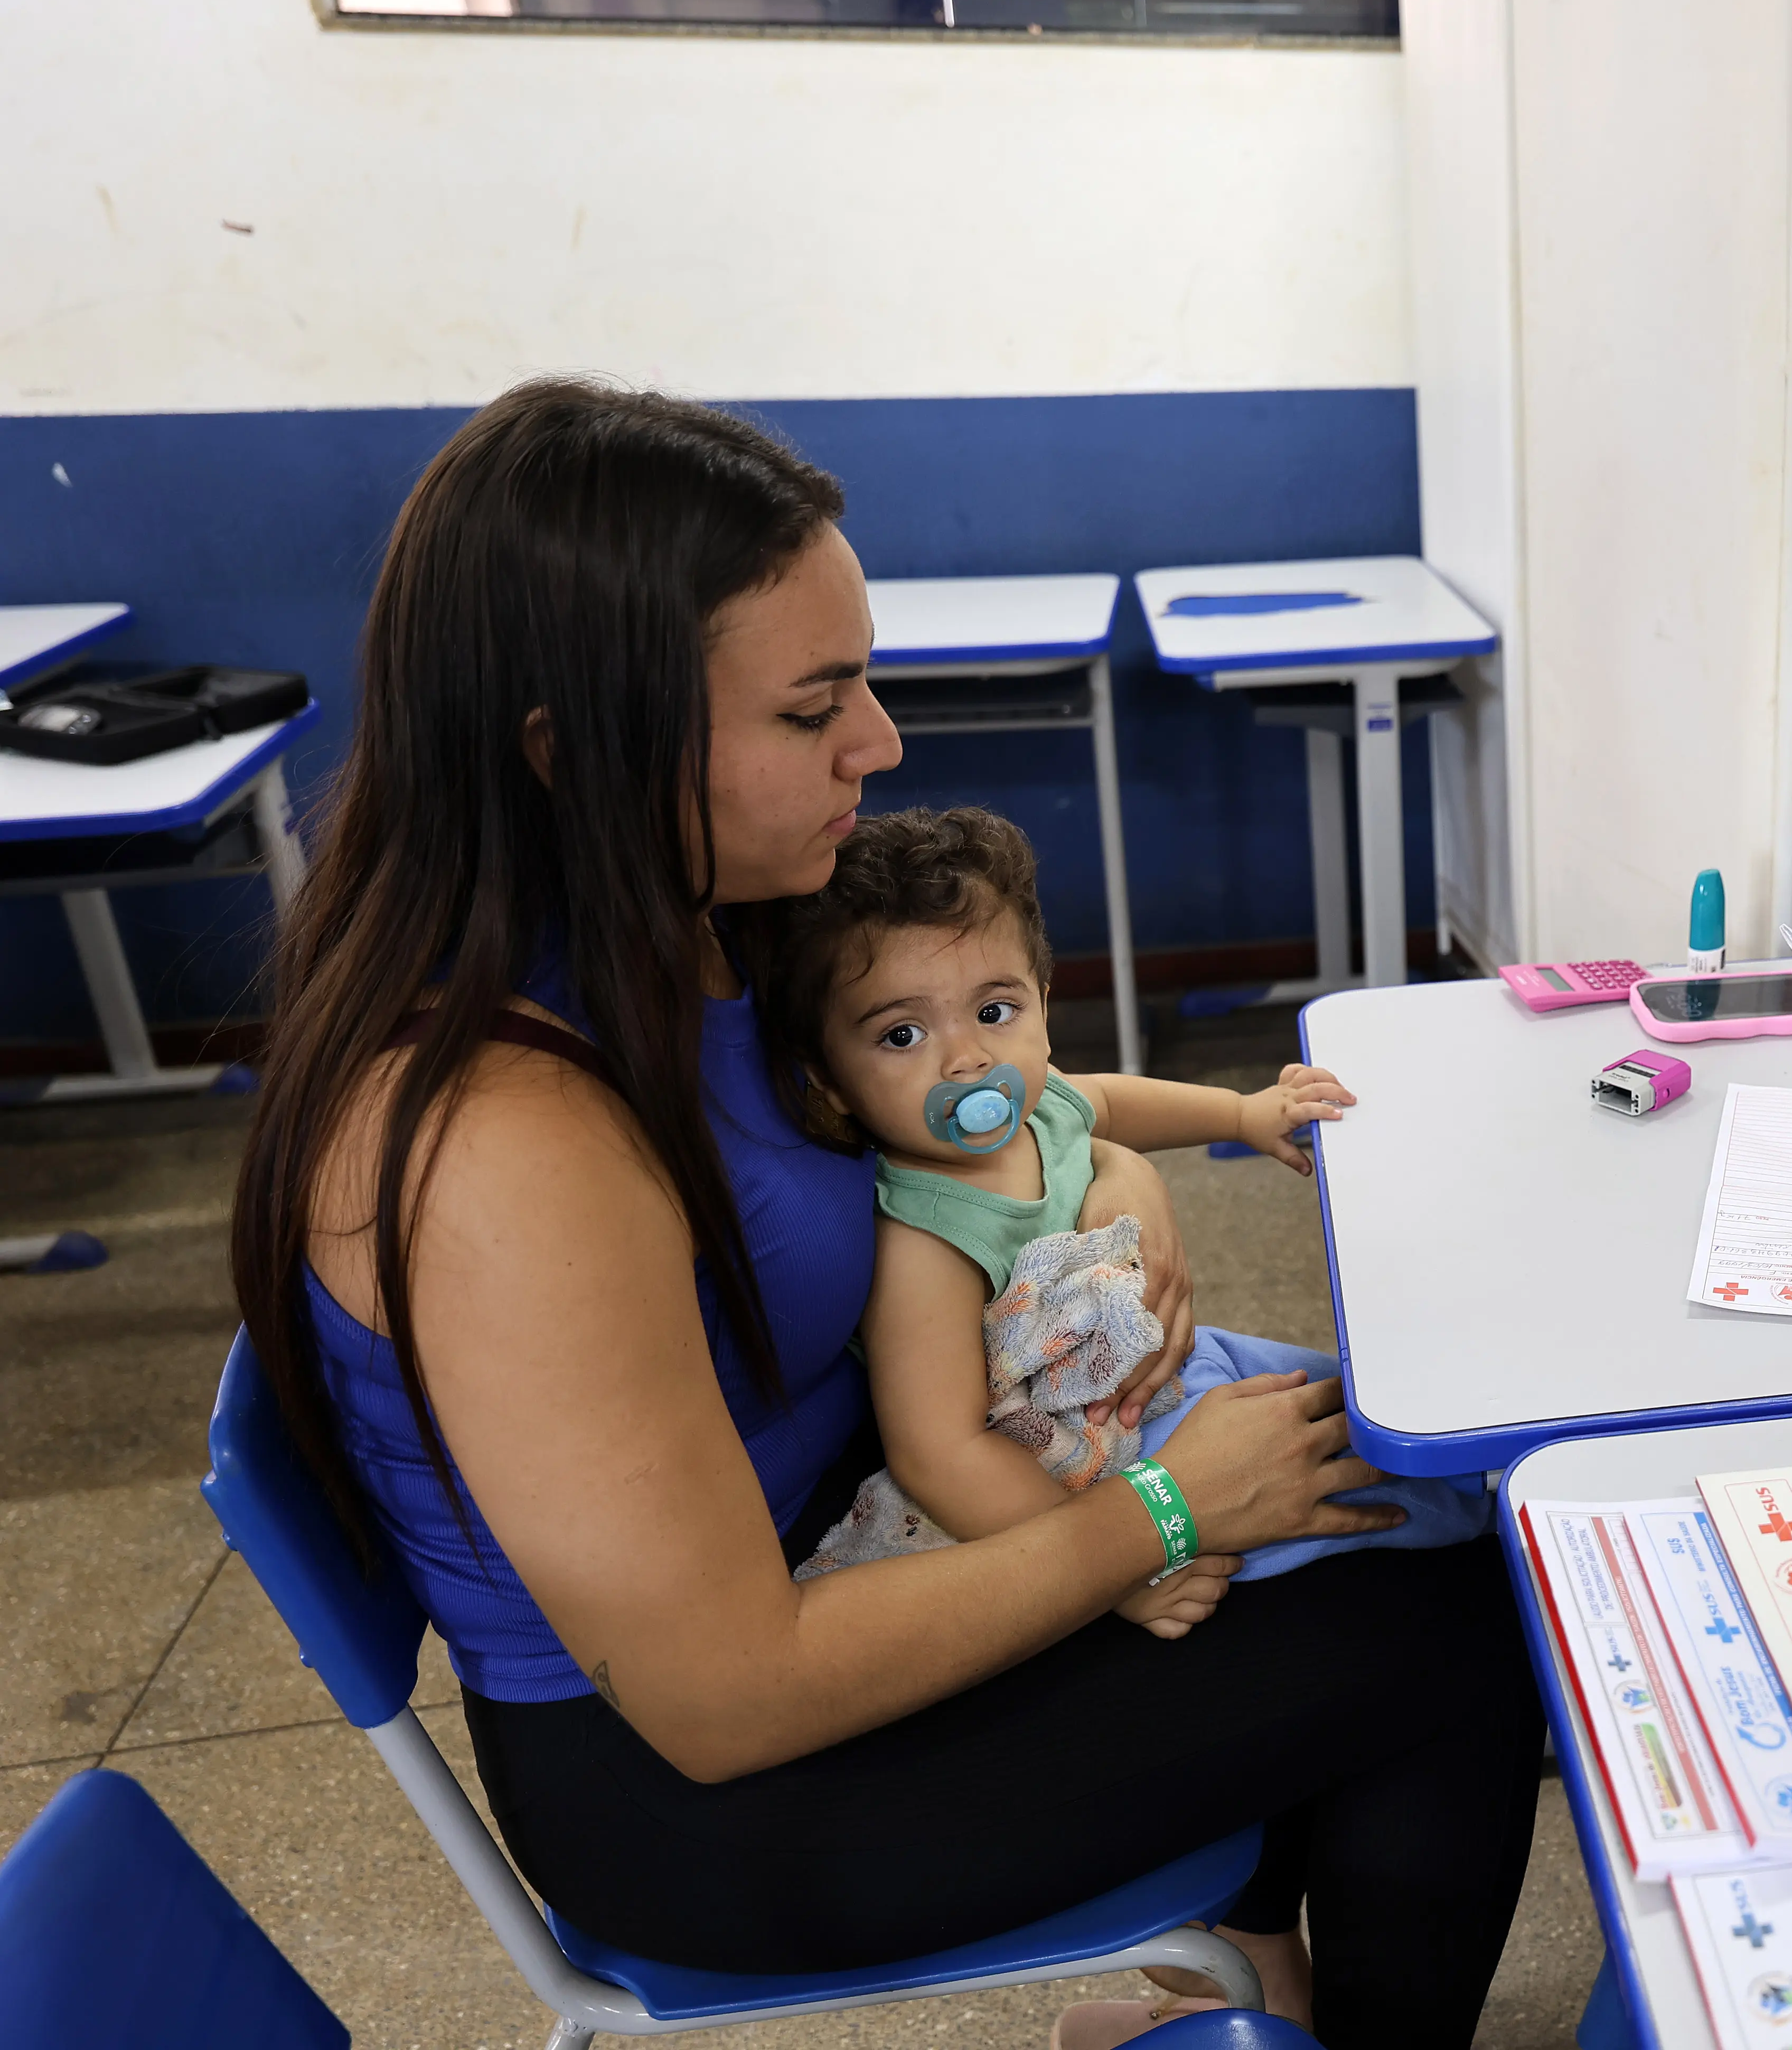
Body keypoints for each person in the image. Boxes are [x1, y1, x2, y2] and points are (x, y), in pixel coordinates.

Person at [226, 379, 1540, 2047]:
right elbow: (724, 1695)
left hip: (861, 1542)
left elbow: (985, 1109)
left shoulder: (705, 923)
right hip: (709, 1795)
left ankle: (1259, 1983)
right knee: (1448, 1637)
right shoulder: (497, 1143)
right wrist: (1157, 1512)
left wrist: (1119, 1185)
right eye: (810, 709)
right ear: (570, 750)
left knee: (1389, 1485)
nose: (881, 743)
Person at [742, 803, 1489, 1597]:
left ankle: (1485, 1477)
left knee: (1377, 1405)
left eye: (996, 1012)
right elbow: (943, 1454)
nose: (967, 1060)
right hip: (1097, 1464)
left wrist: (1242, 1113)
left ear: (1044, 1005)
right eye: (902, 1035)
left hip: (1181, 1365)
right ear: (827, 1077)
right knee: (1394, 1511)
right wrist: (1121, 1568)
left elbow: (1111, 1102)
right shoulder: (922, 1241)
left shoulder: (1041, 1103)